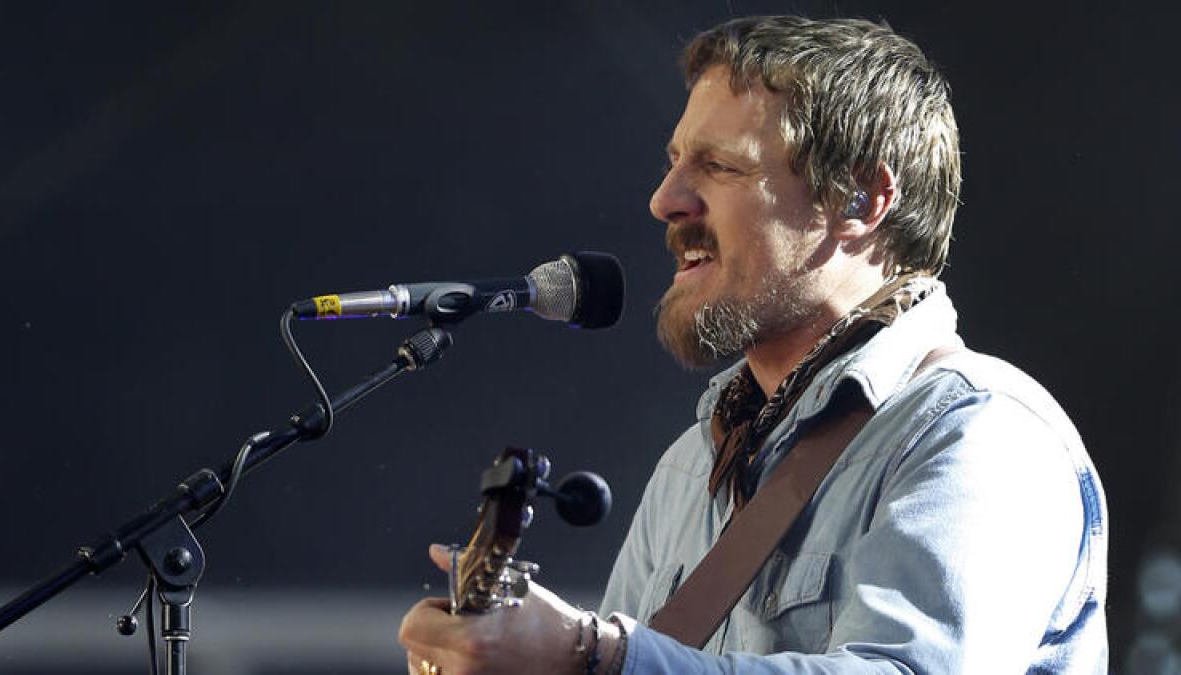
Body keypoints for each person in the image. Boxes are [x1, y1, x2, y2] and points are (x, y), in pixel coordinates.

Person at [399, 15, 1108, 673]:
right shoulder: (691, 465)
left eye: (720, 165)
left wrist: (595, 654)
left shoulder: (976, 432)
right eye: (676, 160)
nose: (665, 198)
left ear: (861, 200)